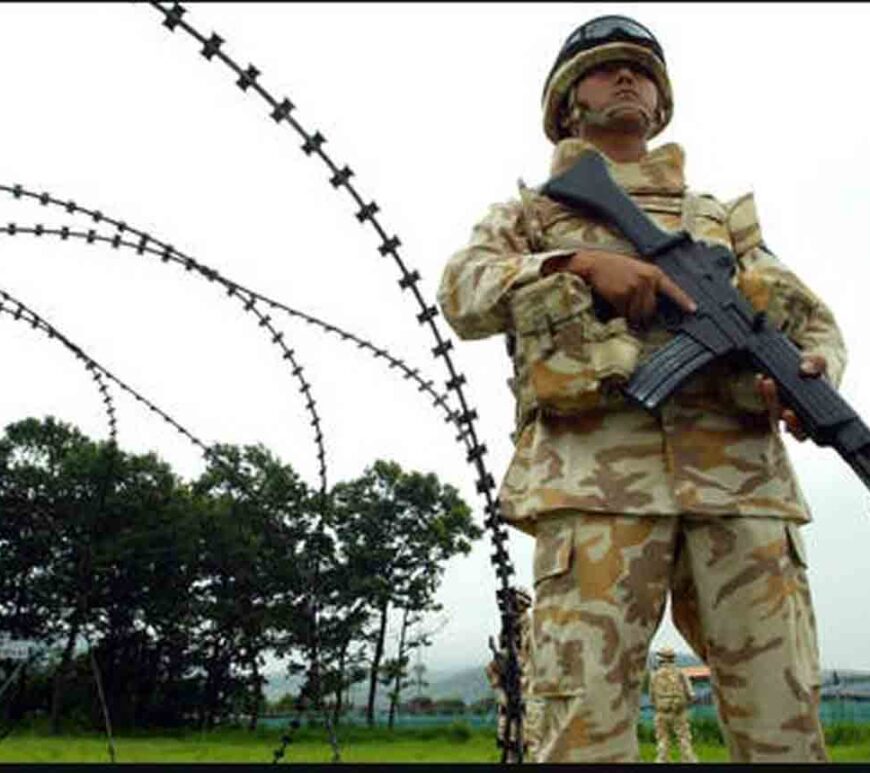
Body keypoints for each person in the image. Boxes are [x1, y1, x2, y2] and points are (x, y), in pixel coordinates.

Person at [438, 14, 844, 764]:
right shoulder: (530, 213)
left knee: (784, 722)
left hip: (744, 490)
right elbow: (463, 291)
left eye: (643, 72)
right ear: (566, 105)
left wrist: (812, 372)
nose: (627, 79)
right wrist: (576, 265)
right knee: (583, 730)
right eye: (604, 70)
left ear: (661, 103)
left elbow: (811, 322)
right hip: (595, 492)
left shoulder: (721, 220)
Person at [484, 587, 543, 762]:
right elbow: (493, 668)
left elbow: (531, 660)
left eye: (512, 604)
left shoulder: (531, 628)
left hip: (529, 698)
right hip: (509, 699)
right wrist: (500, 692)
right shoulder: (507, 631)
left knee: (534, 749)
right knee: (510, 748)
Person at [649, 647, 697, 763]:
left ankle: (662, 759)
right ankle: (688, 759)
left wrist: (658, 704)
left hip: (662, 711)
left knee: (662, 738)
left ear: (660, 658)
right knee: (684, 737)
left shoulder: (654, 675)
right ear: (673, 658)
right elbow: (690, 693)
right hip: (679, 710)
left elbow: (651, 696)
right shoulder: (680, 673)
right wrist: (686, 703)